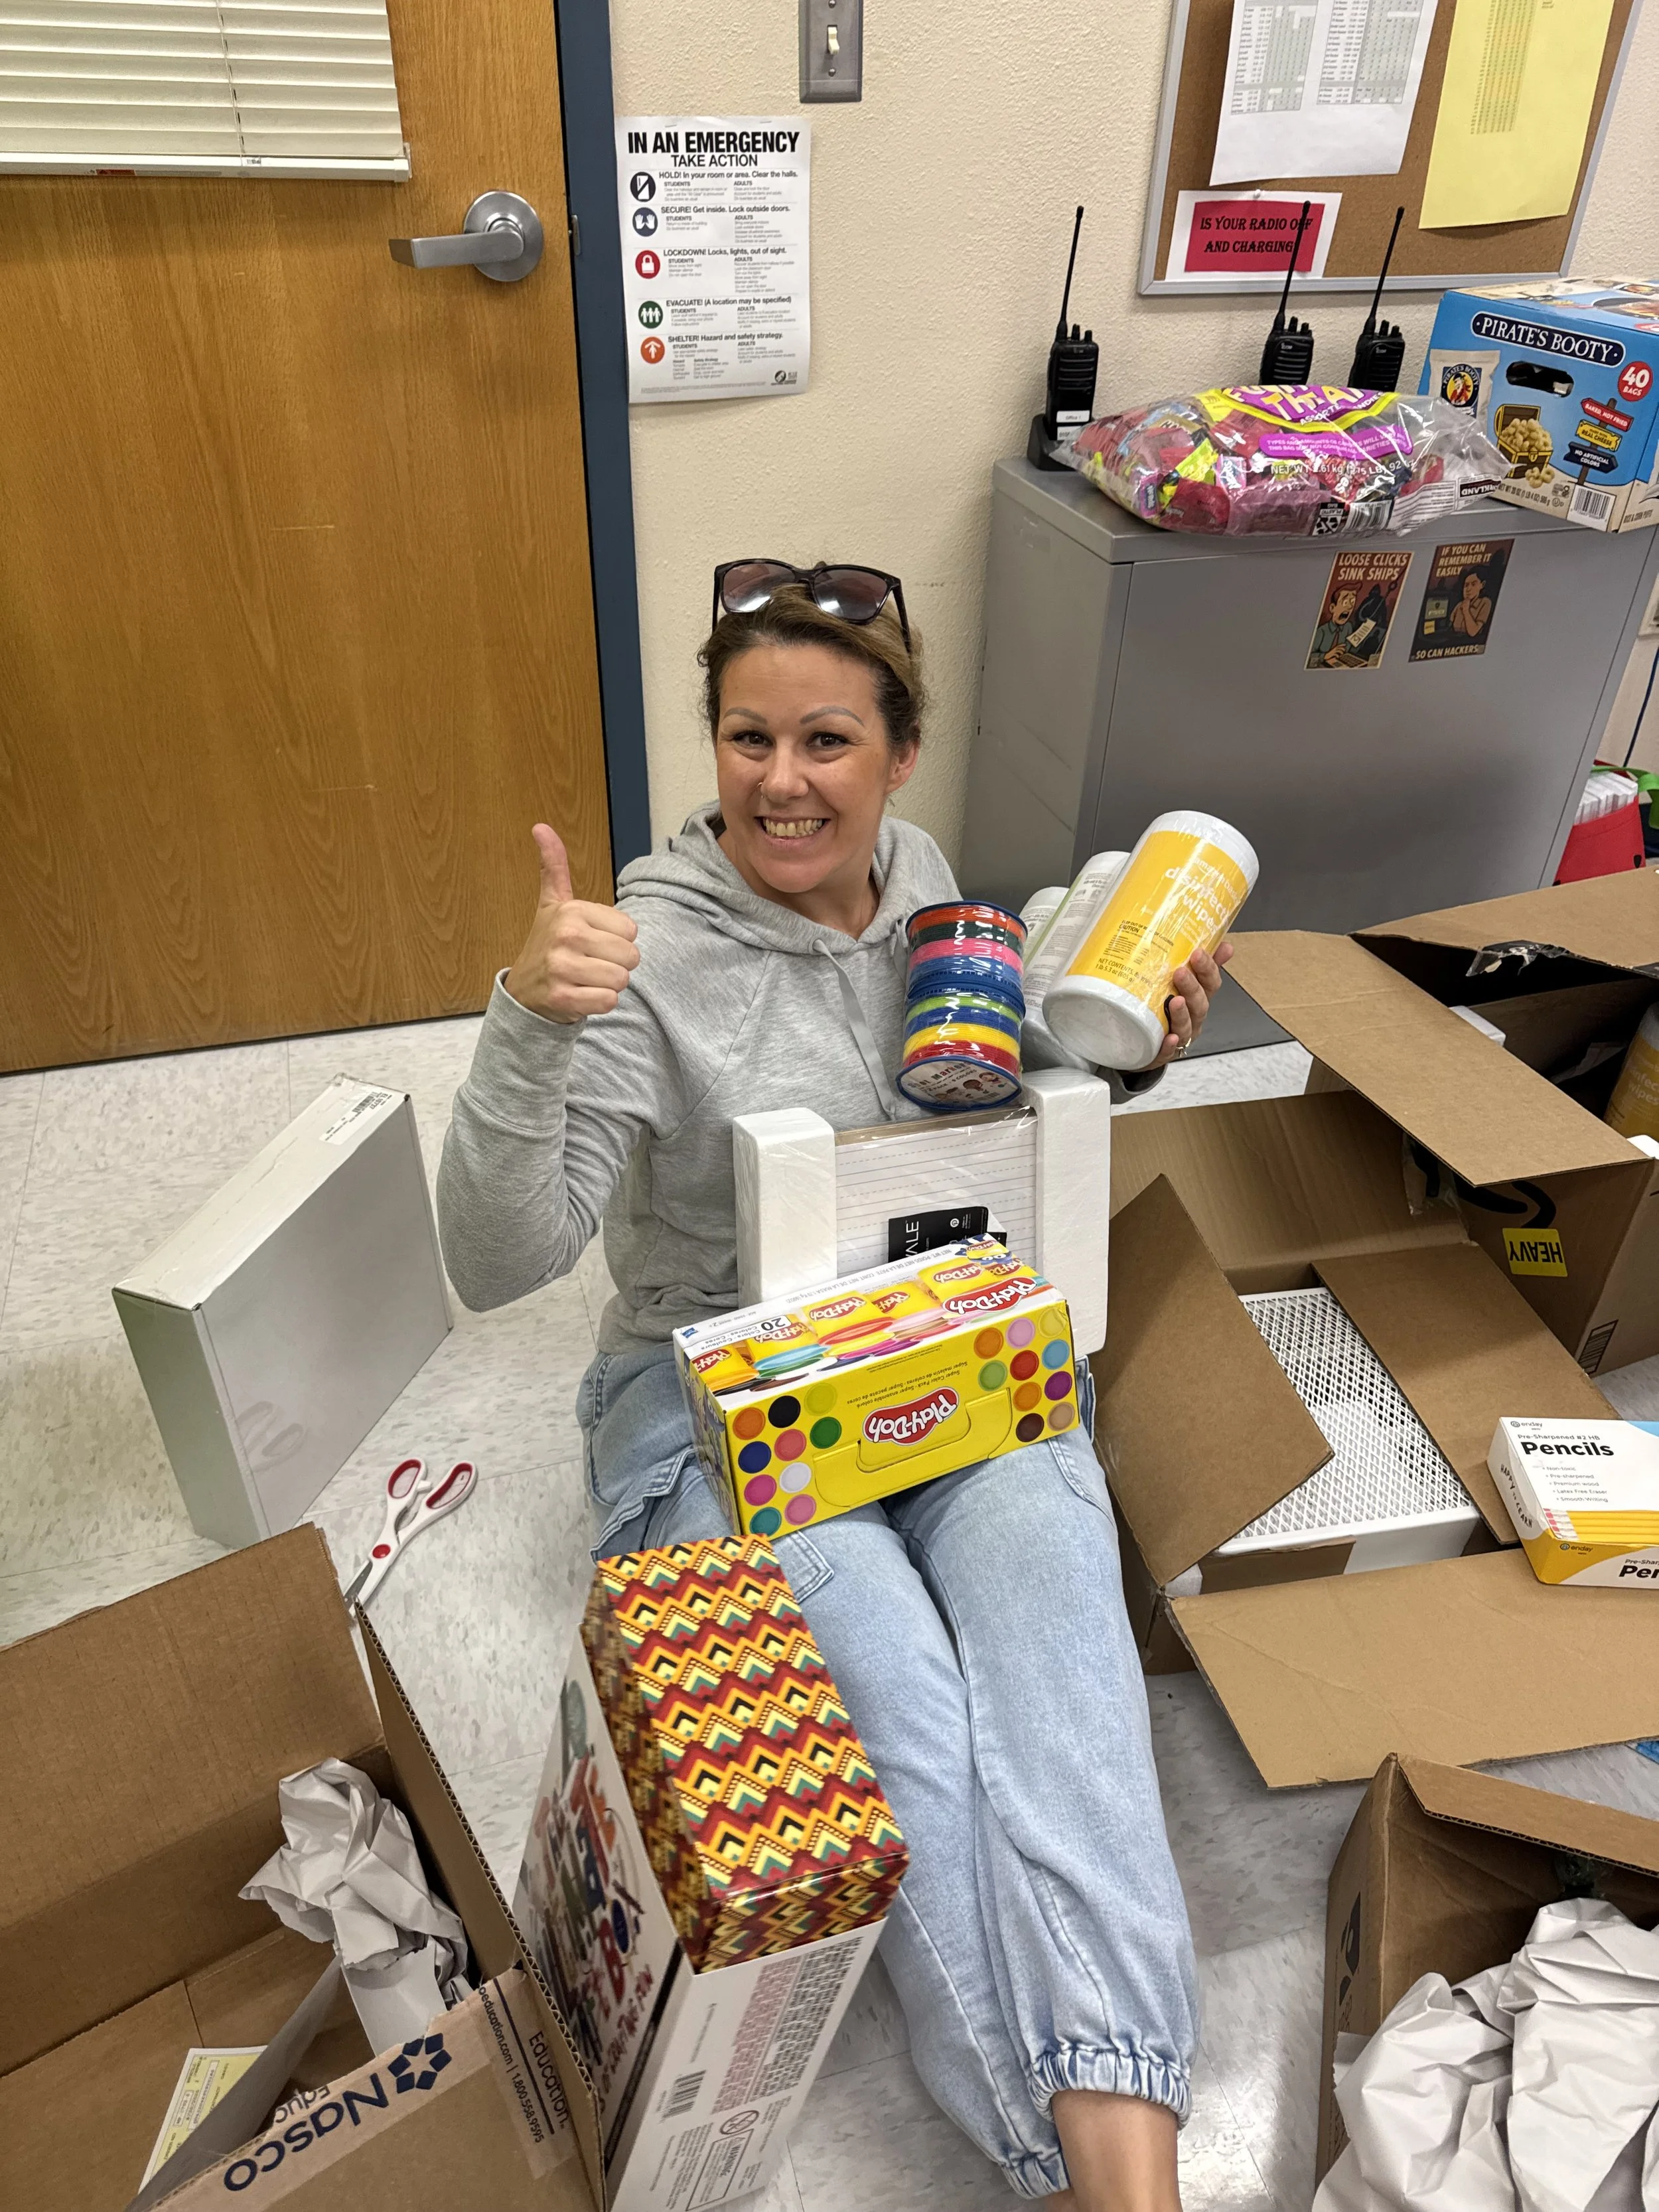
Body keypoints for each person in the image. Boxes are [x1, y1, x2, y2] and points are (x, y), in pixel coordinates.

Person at [438, 560, 1229, 2209]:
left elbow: (995, 1119)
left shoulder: (929, 891)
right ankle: (1076, 2170)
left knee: (1064, 1665)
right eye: (746, 740)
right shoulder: (649, 952)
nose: (781, 783)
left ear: (898, 755)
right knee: (903, 1721)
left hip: (934, 1346)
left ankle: (1133, 2157)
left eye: (825, 742)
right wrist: (527, 1019)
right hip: (717, 1396)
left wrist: (1125, 1042)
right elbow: (496, 1258)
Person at [1451, 566, 1492, 640]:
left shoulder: (1485, 602)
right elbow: (1449, 626)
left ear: (1482, 585)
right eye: (1466, 585)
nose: (1468, 589)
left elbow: (1473, 632)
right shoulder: (1459, 605)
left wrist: (1466, 611)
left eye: (1473, 584)